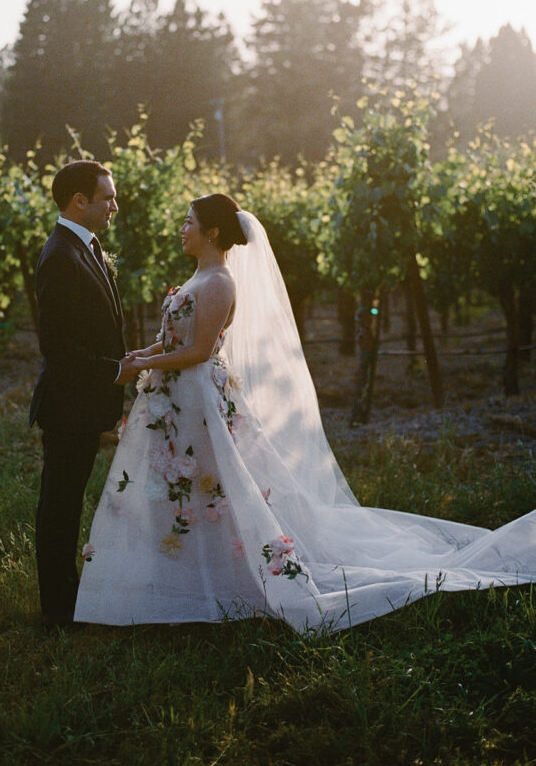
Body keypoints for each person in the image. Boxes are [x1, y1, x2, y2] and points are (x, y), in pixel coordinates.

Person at [74, 193, 536, 632]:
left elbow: (198, 350)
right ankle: (179, 576)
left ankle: (221, 578)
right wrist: (141, 354)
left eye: (189, 223)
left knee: (215, 482)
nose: (182, 229)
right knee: (182, 485)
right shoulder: (198, 278)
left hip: (196, 396)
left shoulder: (218, 283)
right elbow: (176, 338)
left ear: (212, 233)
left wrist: (146, 365)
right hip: (173, 396)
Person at [29, 159, 137, 628]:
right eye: (107, 197)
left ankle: (67, 595)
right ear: (80, 201)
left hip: (83, 404)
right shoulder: (60, 256)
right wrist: (115, 370)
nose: (115, 204)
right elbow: (58, 347)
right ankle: (56, 607)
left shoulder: (85, 247)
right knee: (60, 504)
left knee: (68, 499)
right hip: (68, 405)